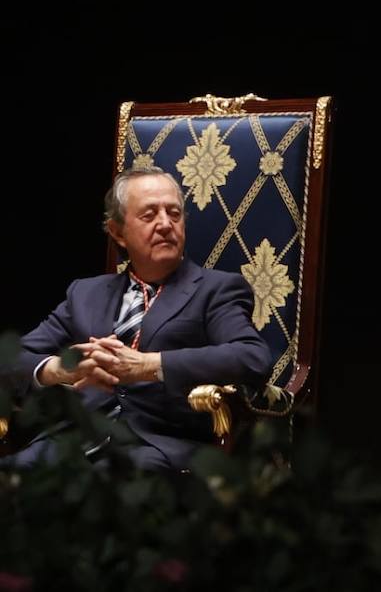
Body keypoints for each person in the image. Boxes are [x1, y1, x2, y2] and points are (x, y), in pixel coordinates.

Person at [5, 167, 271, 470]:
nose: (165, 224)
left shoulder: (216, 290)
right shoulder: (85, 294)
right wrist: (60, 370)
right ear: (118, 232)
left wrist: (149, 365)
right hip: (74, 440)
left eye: (174, 213)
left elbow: (252, 357)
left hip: (158, 446)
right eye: (149, 216)